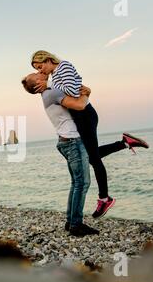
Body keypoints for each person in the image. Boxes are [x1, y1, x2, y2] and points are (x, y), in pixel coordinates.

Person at [30, 50, 149, 218]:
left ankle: (105, 198)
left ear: (48, 60)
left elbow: (72, 90)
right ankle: (124, 143)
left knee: (93, 159)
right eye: (38, 69)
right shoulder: (55, 76)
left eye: (40, 67)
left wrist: (49, 86)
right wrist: (51, 86)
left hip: (85, 115)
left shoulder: (64, 66)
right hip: (79, 117)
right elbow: (68, 93)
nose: (41, 71)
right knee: (90, 156)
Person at [21, 73, 98, 236]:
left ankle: (71, 222)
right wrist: (86, 94)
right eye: (36, 74)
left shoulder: (49, 92)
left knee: (76, 183)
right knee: (82, 183)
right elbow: (79, 106)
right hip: (72, 141)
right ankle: (76, 225)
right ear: (38, 83)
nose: (39, 72)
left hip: (66, 141)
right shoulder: (51, 93)